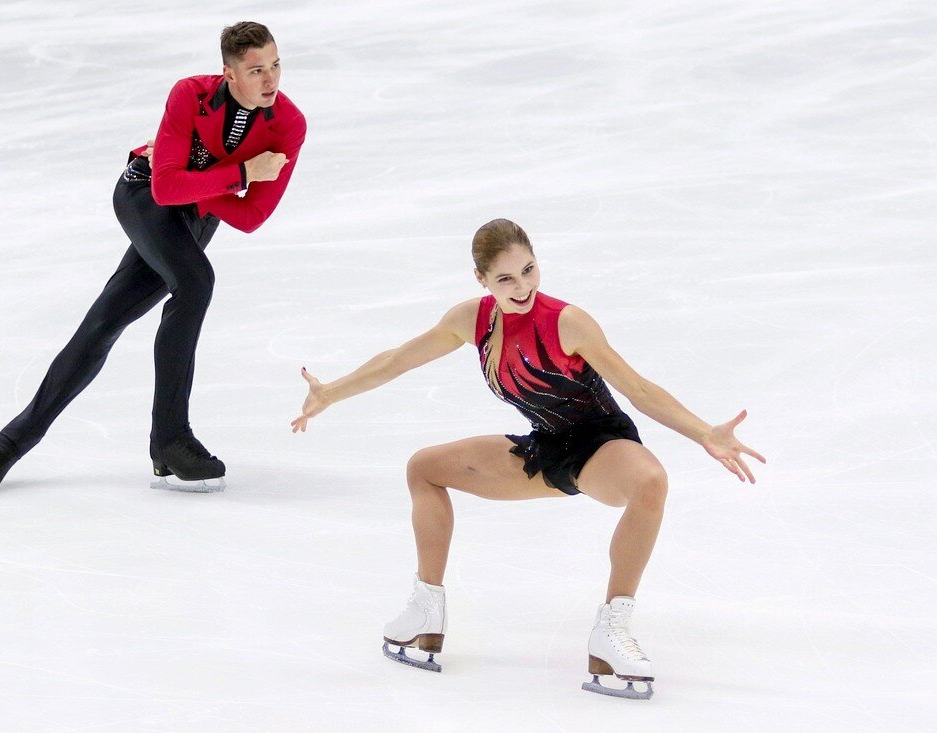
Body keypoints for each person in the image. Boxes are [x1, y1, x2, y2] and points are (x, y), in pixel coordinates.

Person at [291, 218, 765, 698]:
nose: (523, 287)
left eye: (529, 270)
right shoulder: (470, 319)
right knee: (424, 468)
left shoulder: (566, 321)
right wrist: (331, 392)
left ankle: (612, 629)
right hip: (545, 445)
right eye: (506, 279)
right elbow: (398, 359)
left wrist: (706, 432)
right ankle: (426, 609)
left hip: (599, 444)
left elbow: (637, 389)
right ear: (482, 280)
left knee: (650, 482)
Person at [0, 21, 306, 492]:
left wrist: (201, 186)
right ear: (229, 73)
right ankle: (171, 438)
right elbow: (164, 187)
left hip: (194, 217)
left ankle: (12, 439)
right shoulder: (190, 94)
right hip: (142, 195)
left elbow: (251, 217)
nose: (270, 81)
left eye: (275, 65)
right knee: (195, 282)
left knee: (105, 321)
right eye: (256, 70)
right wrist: (241, 171)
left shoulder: (288, 123)